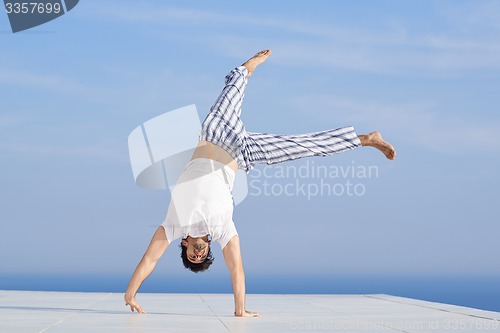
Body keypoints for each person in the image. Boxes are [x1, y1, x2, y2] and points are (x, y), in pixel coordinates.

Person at [124, 50, 396, 317]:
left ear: (184, 246)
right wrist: (239, 310)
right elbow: (237, 270)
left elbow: (150, 259)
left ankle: (247, 68)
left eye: (192, 257)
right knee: (301, 147)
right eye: (202, 257)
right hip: (243, 154)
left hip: (216, 135)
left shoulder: (174, 227)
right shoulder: (223, 232)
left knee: (231, 90)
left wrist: (130, 294)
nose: (198, 255)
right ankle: (365, 139)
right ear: (207, 250)